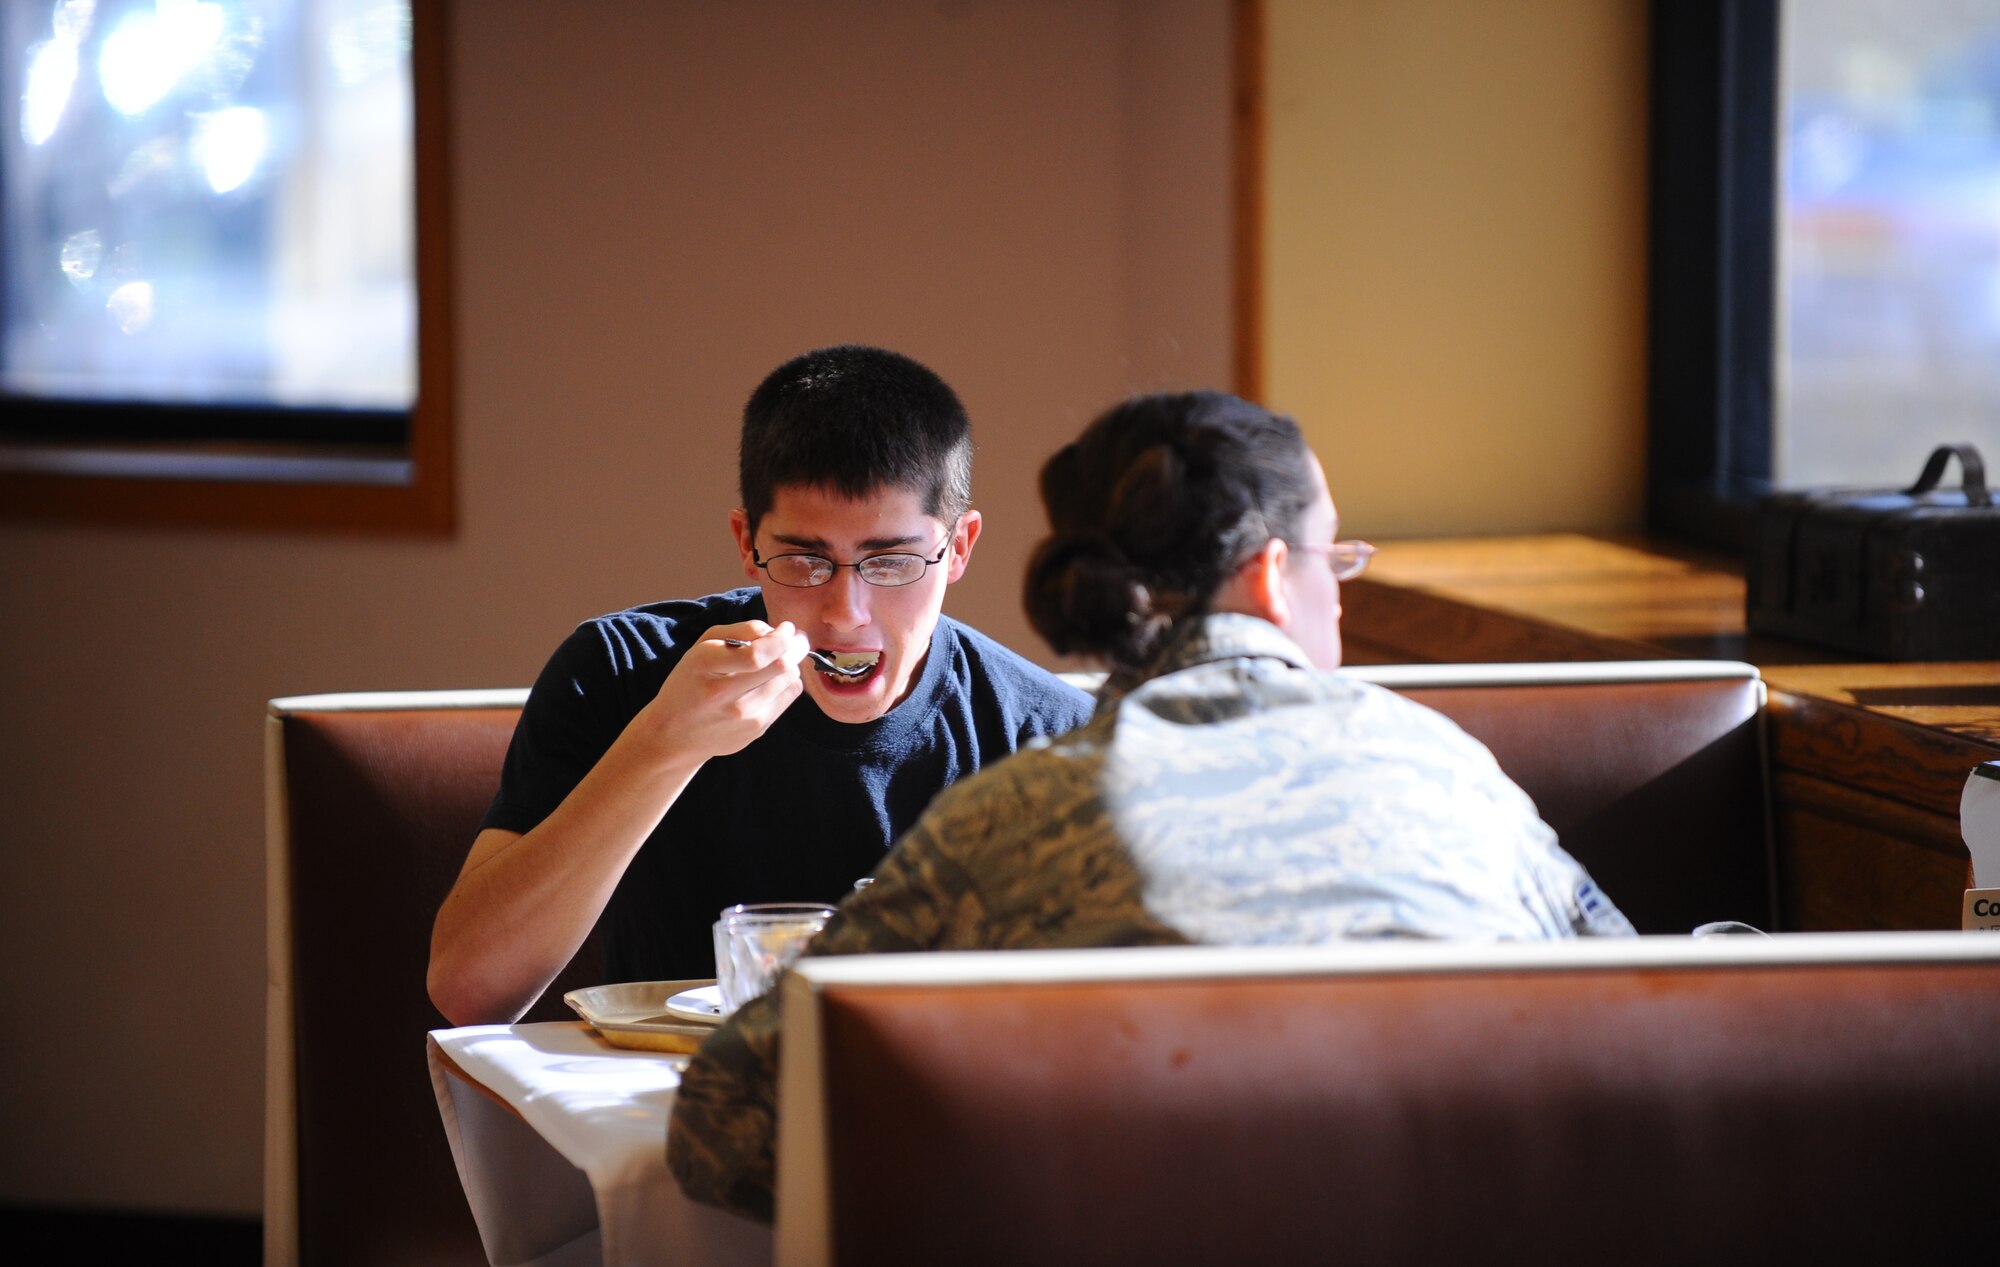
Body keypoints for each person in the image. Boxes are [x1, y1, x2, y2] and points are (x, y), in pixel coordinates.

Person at [666, 388, 1634, 1221]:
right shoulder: (1454, 775)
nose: (1336, 599)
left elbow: (725, 1120)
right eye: (1332, 564)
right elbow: (1642, 1019)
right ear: (1266, 573)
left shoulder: (1007, 820)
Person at [426, 345, 1095, 1027]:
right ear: (747, 541)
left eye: (890, 562)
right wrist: (666, 744)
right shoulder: (620, 672)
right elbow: (469, 989)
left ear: (957, 548)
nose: (845, 612)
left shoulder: (1054, 737)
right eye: (805, 559)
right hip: (667, 1117)